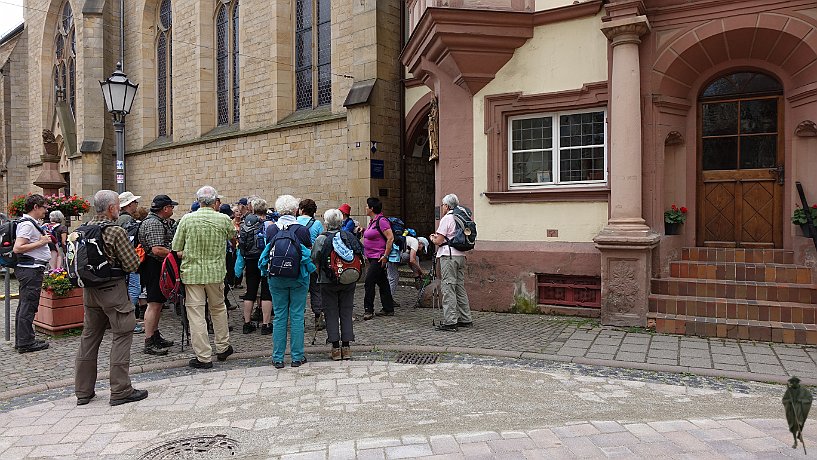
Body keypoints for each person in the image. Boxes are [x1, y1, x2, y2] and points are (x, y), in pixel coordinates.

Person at [74, 189, 148, 406]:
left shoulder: (83, 229)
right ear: (111, 208)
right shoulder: (115, 231)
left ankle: (83, 392)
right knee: (122, 335)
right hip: (113, 291)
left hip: (90, 292)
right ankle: (121, 390)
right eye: (117, 205)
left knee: (89, 338)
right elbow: (131, 265)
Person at [172, 186, 236, 369]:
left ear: (198, 200)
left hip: (192, 274)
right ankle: (223, 347)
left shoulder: (187, 219)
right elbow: (234, 237)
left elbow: (176, 247)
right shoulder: (223, 219)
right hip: (216, 273)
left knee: (196, 314)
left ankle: (203, 356)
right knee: (218, 309)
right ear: (215, 201)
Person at [264, 195, 314, 368]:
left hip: (276, 277)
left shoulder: (271, 230)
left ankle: (278, 357)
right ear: (295, 210)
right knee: (297, 315)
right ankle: (297, 356)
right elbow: (307, 251)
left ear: (278, 211)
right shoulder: (302, 230)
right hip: (298, 276)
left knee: (279, 315)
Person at [311, 209, 363, 361]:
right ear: (341, 222)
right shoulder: (349, 236)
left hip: (327, 281)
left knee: (331, 312)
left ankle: (335, 348)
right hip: (348, 279)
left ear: (326, 223)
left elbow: (314, 257)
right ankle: (346, 347)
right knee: (346, 311)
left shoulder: (321, 239)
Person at [138, 194, 178, 355]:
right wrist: (177, 254)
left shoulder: (157, 221)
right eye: (171, 206)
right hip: (154, 265)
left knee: (158, 302)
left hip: (156, 265)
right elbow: (157, 249)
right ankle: (149, 341)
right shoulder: (154, 223)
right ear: (165, 209)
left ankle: (155, 335)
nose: (173, 209)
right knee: (154, 303)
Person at [12, 194, 51, 353]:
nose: (46, 211)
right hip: (30, 270)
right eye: (44, 208)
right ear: (35, 207)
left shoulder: (29, 223)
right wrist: (41, 242)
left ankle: (23, 339)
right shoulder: (27, 224)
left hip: (30, 269)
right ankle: (26, 343)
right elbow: (18, 248)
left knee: (24, 305)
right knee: (28, 306)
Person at [429, 194, 472, 331]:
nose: (442, 207)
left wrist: (432, 238)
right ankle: (466, 318)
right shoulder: (461, 216)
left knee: (448, 287)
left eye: (443, 205)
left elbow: (439, 241)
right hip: (460, 256)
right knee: (460, 287)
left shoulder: (447, 218)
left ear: (447, 206)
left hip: (449, 256)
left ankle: (450, 321)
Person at [238, 198, 273, 334]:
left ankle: (247, 323)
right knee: (266, 291)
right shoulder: (270, 224)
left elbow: (241, 243)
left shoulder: (245, 224)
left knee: (250, 291)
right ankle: (266, 324)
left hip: (250, 259)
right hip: (265, 260)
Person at [361, 197, 395, 320]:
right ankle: (388, 308)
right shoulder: (372, 221)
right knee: (383, 282)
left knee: (369, 282)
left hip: (378, 257)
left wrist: (385, 255)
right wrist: (363, 230)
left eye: (367, 206)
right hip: (371, 256)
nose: (365, 208)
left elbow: (390, 238)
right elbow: (373, 234)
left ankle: (368, 309)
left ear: (372, 208)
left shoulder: (382, 221)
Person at [297, 198, 325, 329]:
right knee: (316, 289)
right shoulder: (318, 224)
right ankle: (318, 318)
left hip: (298, 260)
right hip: (313, 261)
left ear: (301, 210)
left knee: (299, 290)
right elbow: (321, 242)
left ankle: (299, 319)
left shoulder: (295, 222)